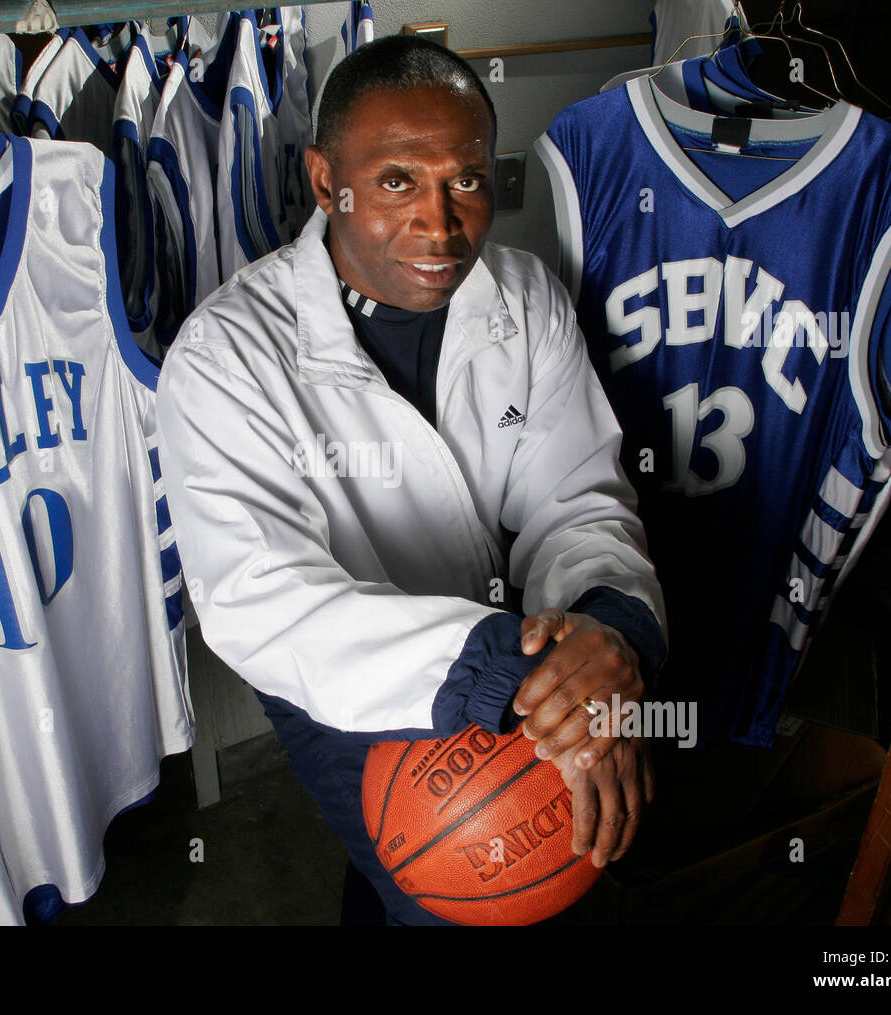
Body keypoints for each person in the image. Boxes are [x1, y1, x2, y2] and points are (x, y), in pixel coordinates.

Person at [156, 34, 668, 925]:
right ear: (327, 183)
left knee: (567, 856)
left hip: (523, 641)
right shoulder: (225, 355)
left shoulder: (524, 294)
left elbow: (575, 496)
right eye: (397, 181)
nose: (440, 224)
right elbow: (260, 600)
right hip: (340, 671)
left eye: (465, 180)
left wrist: (600, 636)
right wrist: (511, 673)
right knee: (456, 889)